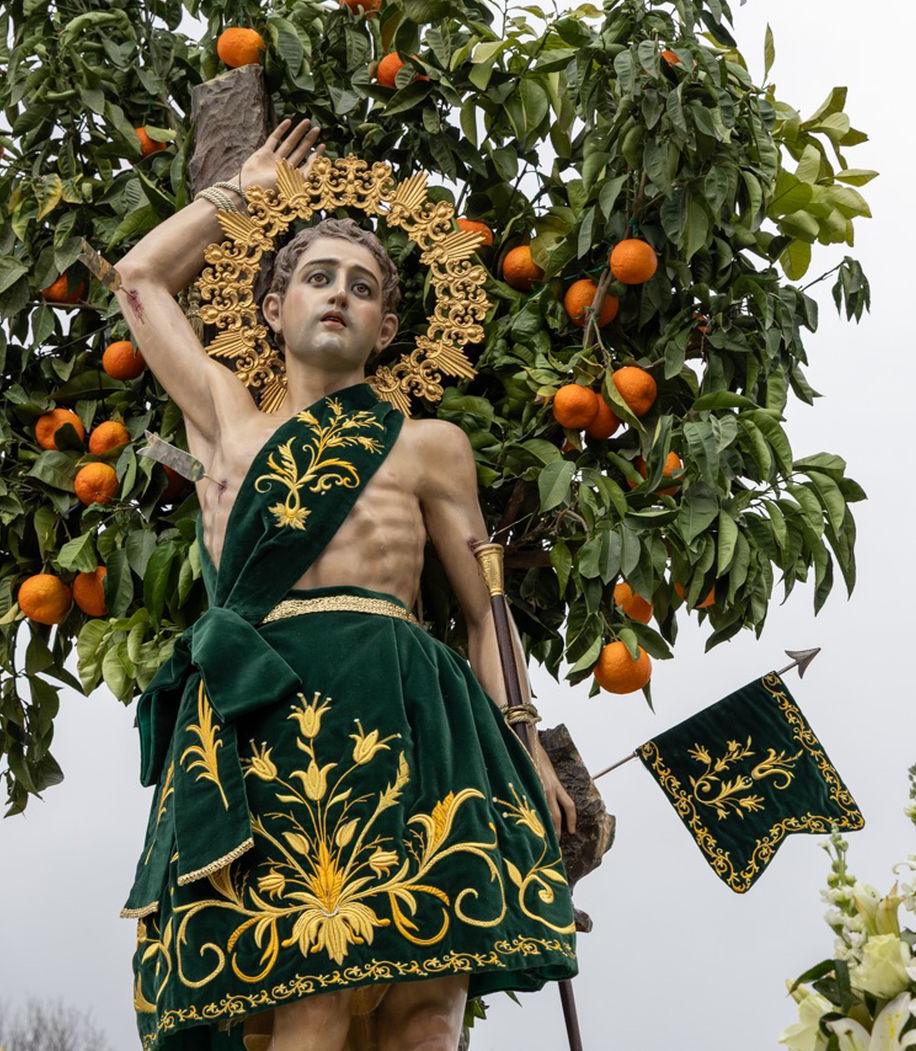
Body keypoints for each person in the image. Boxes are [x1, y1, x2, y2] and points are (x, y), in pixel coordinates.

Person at [109, 117, 579, 1051]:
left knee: (428, 1010)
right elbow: (138, 279)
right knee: (308, 999)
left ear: (388, 329)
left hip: (408, 711)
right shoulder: (225, 421)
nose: (339, 295)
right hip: (271, 717)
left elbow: (483, 611)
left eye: (362, 287)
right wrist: (241, 193)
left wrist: (523, 739)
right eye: (318, 278)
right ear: (272, 306)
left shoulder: (430, 447)